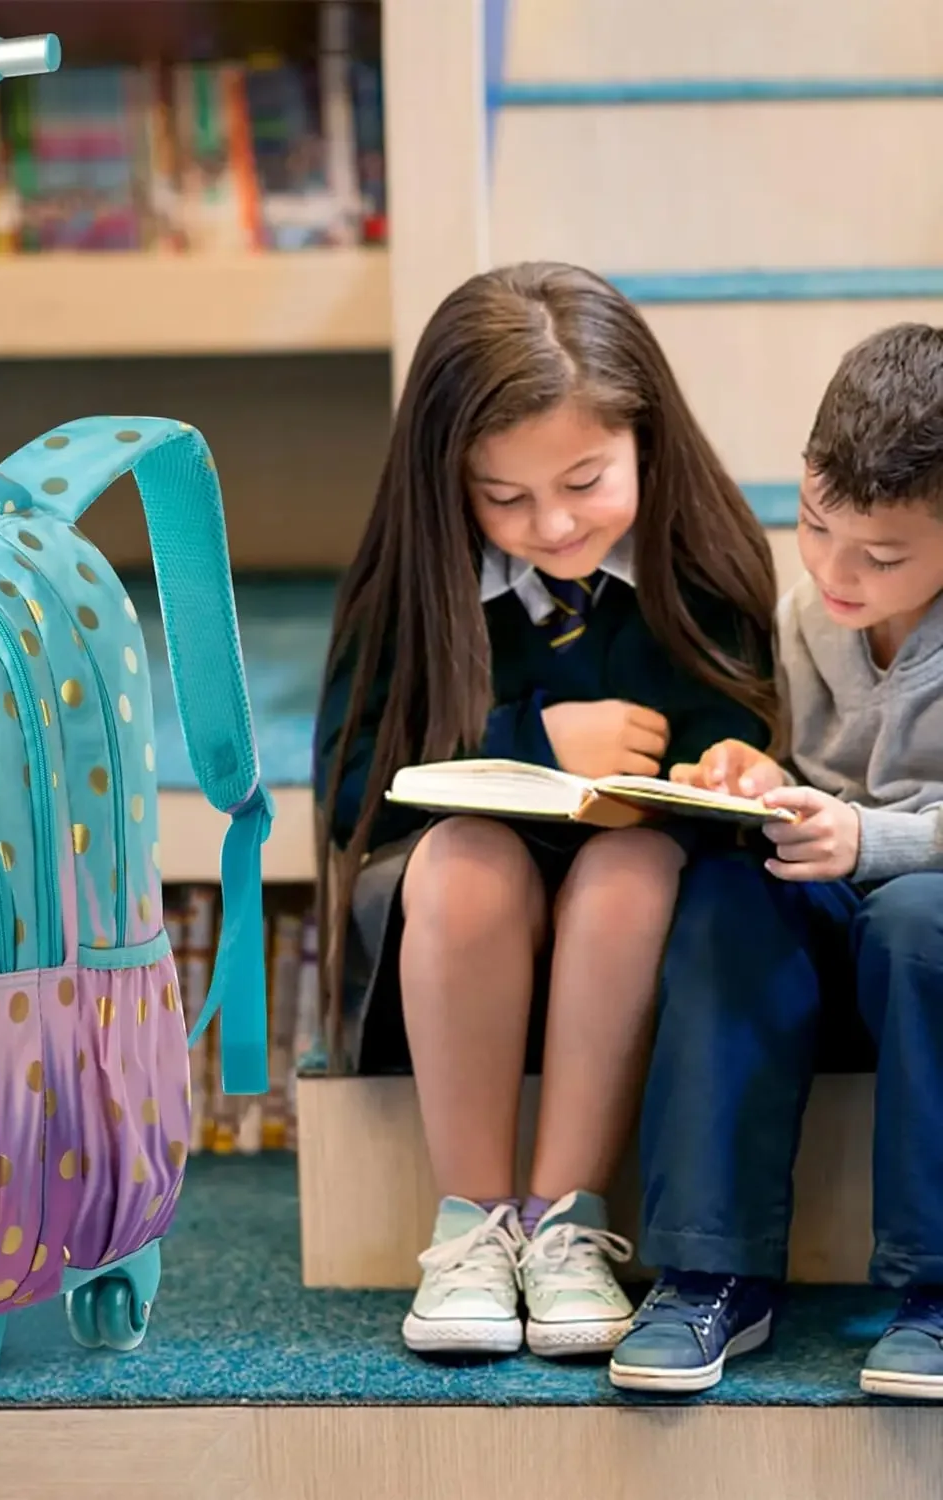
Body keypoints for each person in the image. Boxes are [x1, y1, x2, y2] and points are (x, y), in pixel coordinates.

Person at [312, 261, 780, 1359]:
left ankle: (568, 1223)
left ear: (646, 442)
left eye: (586, 481)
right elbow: (349, 790)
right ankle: (473, 1226)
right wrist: (531, 745)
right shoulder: (410, 581)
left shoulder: (702, 564)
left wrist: (733, 773)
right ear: (449, 483)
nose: (556, 525)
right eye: (506, 497)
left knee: (635, 870)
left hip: (634, 904)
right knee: (473, 860)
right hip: (453, 914)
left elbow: (741, 735)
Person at [610, 322, 943, 1398]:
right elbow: (803, 772)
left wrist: (874, 839)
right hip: (836, 916)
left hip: (923, 933)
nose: (836, 572)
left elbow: (881, 843)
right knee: (722, 896)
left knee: (919, 920)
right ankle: (712, 1271)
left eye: (880, 557)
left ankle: (935, 1291)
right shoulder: (809, 619)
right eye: (812, 525)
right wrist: (757, 773)